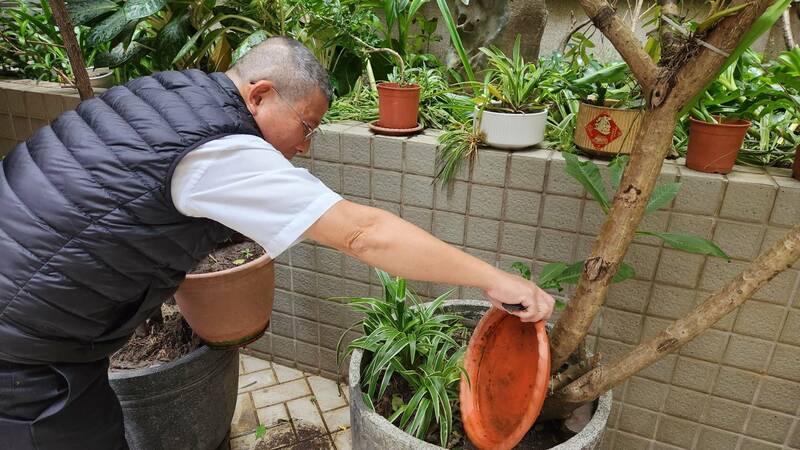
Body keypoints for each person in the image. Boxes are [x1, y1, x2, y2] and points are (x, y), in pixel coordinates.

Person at [0, 37, 554, 449]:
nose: (307, 146)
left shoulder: (172, 92)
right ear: (260, 94)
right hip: (25, 350)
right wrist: (494, 278)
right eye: (307, 125)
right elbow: (363, 234)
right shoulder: (218, 149)